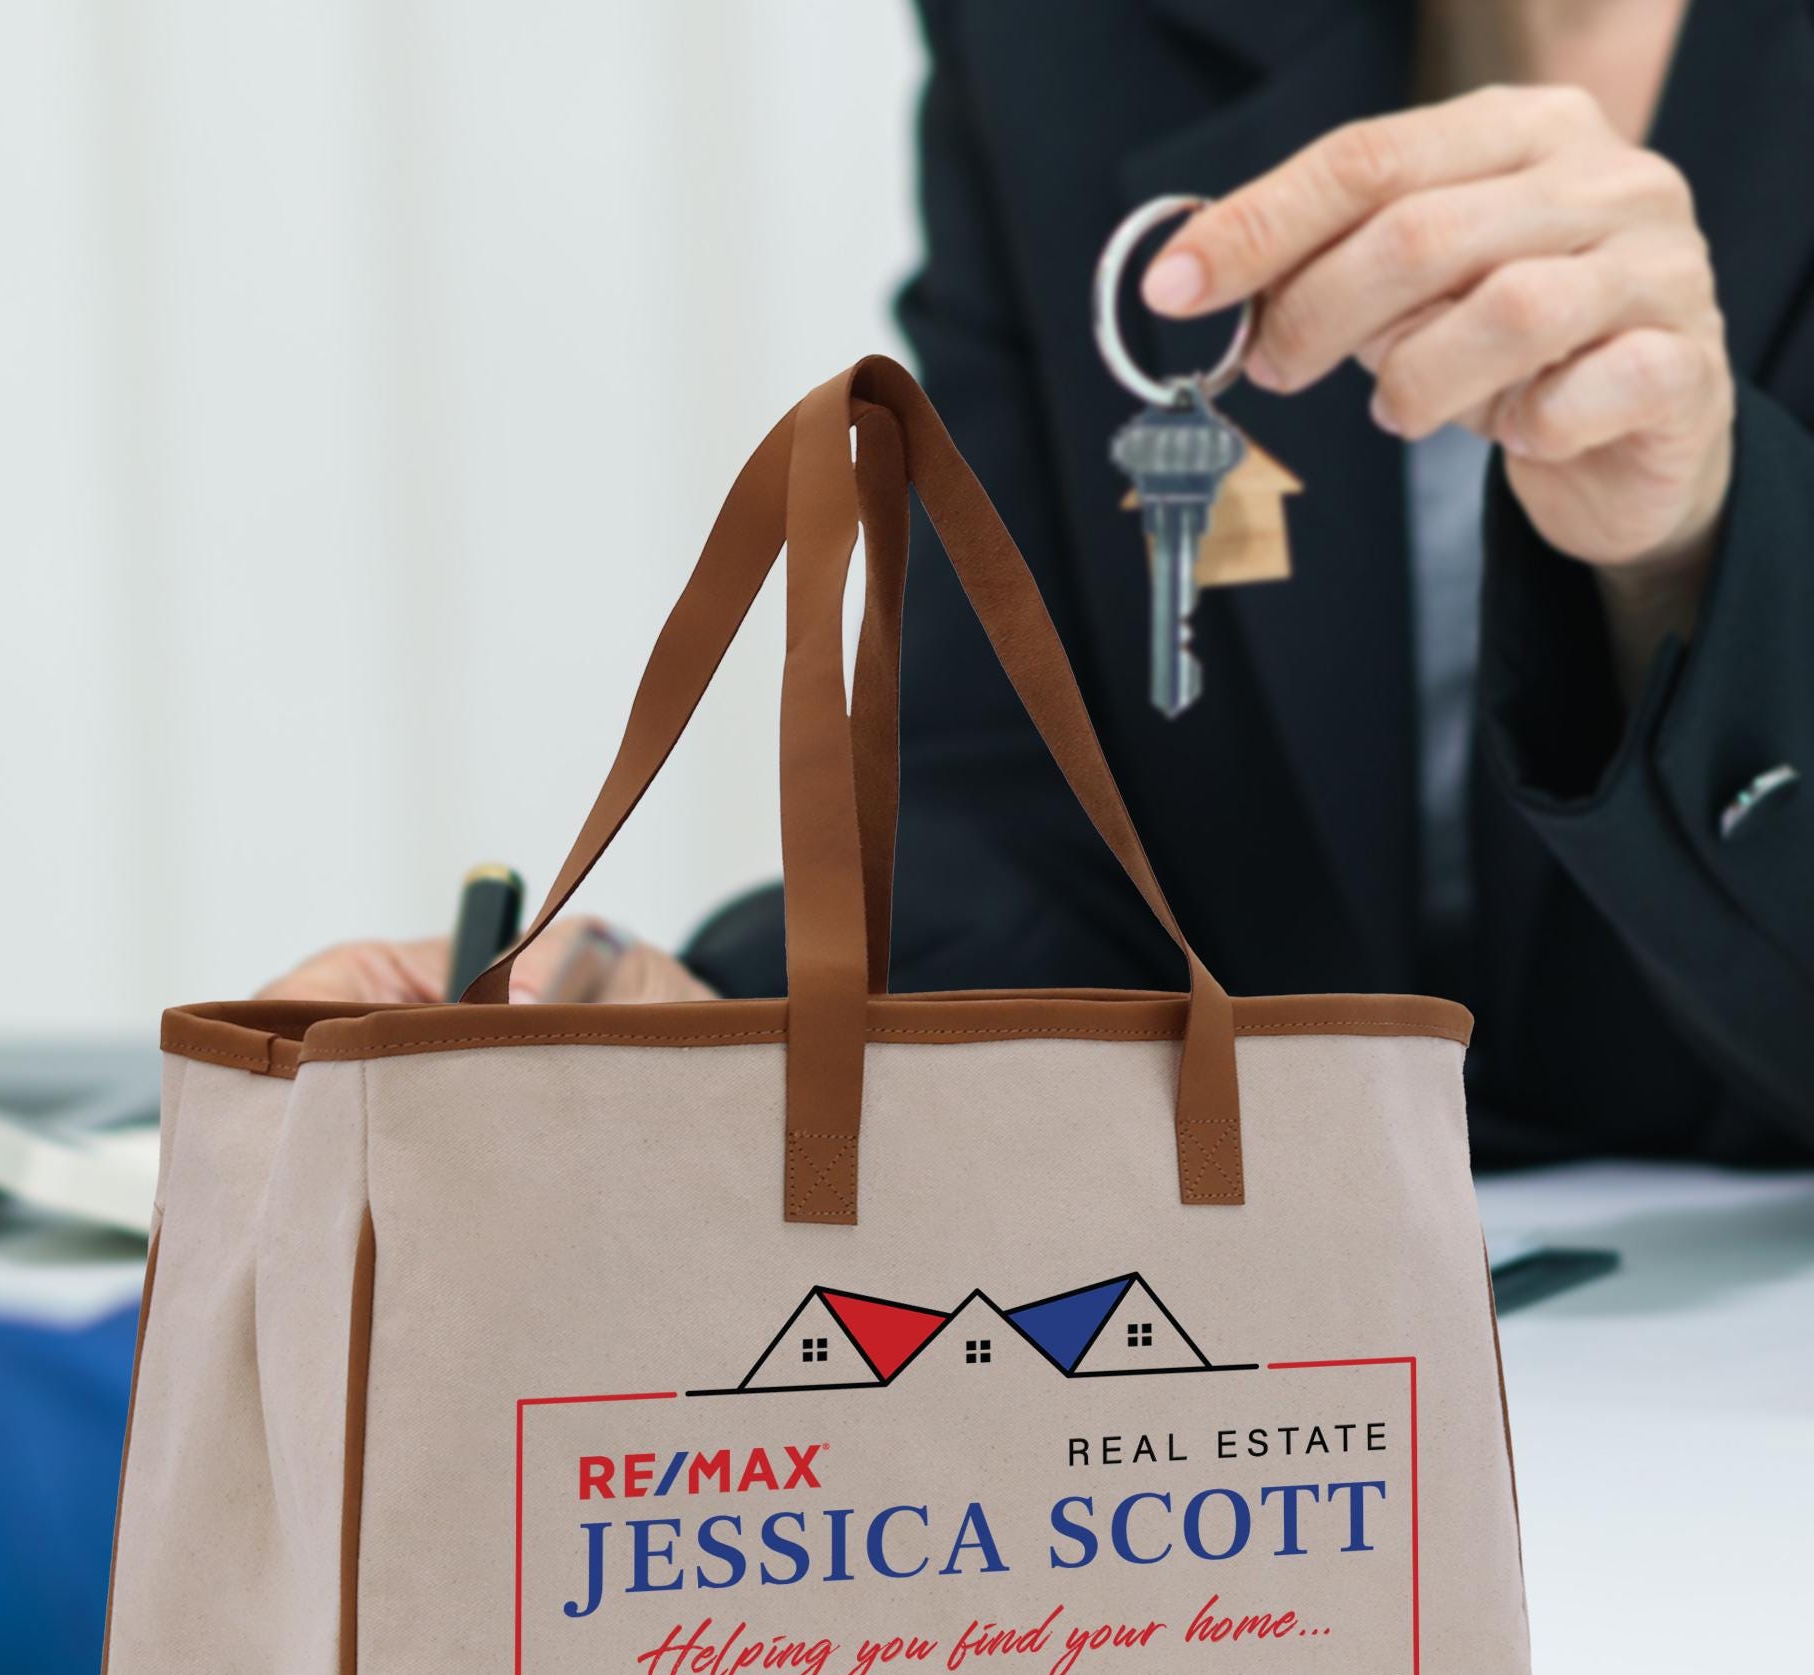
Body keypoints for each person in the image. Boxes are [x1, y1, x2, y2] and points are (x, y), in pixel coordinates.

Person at [268, 0, 1814, 1167]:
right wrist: (723, 1032)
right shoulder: (1067, 36)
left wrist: (1688, 550)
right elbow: (1028, 815)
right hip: (1305, 1380)